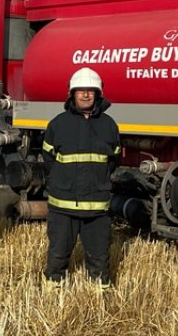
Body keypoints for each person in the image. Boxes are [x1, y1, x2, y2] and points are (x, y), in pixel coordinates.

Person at [42, 67, 121, 288]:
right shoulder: (58, 124)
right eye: (80, 90)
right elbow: (48, 158)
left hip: (96, 206)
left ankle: (99, 293)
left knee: (100, 256)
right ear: (72, 94)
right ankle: (52, 288)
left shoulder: (109, 125)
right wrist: (62, 181)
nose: (85, 95)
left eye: (90, 90)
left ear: (98, 94)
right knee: (57, 254)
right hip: (63, 205)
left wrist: (99, 181)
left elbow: (114, 159)